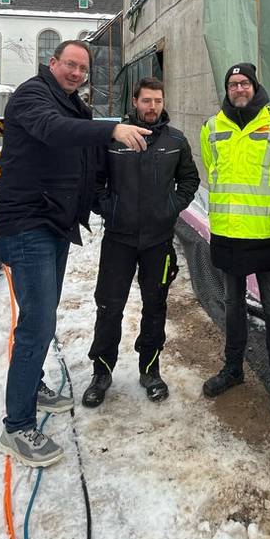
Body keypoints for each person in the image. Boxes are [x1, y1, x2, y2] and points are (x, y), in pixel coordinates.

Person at [0, 40, 150, 468]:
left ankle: (33, 384)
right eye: (71, 65)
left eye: (83, 68)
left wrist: (111, 198)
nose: (77, 72)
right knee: (37, 323)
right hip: (27, 225)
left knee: (42, 317)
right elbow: (53, 131)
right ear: (53, 63)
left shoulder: (71, 104)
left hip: (53, 224)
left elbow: (86, 162)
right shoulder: (33, 96)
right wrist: (111, 127)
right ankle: (18, 424)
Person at [82, 77, 199, 407]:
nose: (152, 107)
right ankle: (101, 372)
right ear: (135, 102)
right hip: (118, 240)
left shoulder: (175, 141)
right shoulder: (114, 139)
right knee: (109, 306)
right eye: (146, 100)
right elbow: (94, 181)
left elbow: (189, 180)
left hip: (158, 242)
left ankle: (150, 370)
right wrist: (109, 208)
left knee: (155, 305)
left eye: (157, 101)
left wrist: (170, 208)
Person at [200, 62, 270, 416]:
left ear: (255, 87)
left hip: (265, 238)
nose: (238, 89)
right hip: (228, 237)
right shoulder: (212, 129)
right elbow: (213, 174)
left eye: (244, 83)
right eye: (232, 84)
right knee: (233, 306)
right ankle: (233, 370)